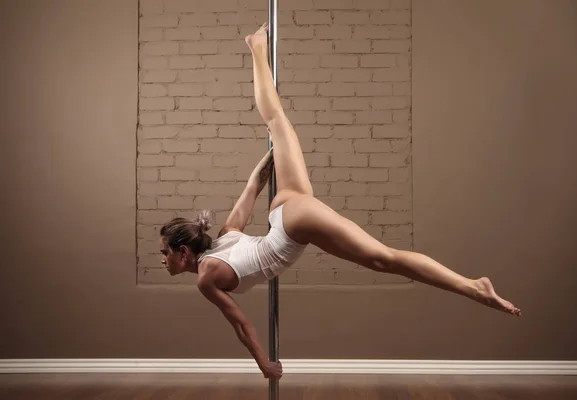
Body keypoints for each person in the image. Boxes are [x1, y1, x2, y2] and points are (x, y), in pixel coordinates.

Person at [159, 23, 522, 381]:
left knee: (385, 259)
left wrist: (263, 364)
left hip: (292, 225)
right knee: (275, 119)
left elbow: (240, 323)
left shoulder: (206, 278)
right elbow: (255, 184)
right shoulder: (224, 236)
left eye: (165, 253)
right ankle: (256, 46)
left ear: (184, 253)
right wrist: (278, 149)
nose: (163, 260)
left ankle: (475, 287)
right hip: (286, 209)